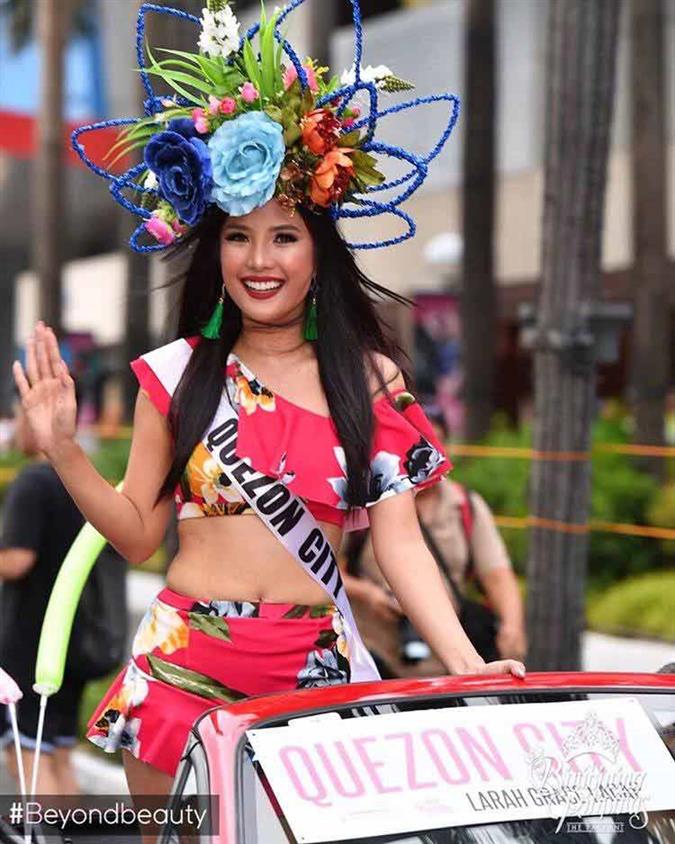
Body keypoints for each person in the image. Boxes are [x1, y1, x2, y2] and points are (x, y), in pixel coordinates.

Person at [14, 2, 526, 827]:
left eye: (283, 236)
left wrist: (468, 663)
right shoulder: (174, 377)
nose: (259, 260)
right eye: (237, 237)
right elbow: (141, 536)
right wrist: (66, 451)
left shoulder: (371, 380)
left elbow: (399, 542)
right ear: (212, 251)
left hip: (315, 669)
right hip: (184, 663)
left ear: (318, 249)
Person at [343, 408, 527, 675]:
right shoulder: (366, 498)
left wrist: (512, 627)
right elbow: (324, 568)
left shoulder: (465, 505)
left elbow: (497, 574)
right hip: (376, 654)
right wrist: (368, 594)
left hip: (446, 662)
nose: (424, 452)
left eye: (432, 442)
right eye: (414, 442)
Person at [0, 402, 85, 795]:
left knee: (28, 757)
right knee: (58, 754)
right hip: (75, 636)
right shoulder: (81, 479)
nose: (16, 424)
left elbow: (17, 561)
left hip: (31, 642)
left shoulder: (33, 482)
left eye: (20, 412)